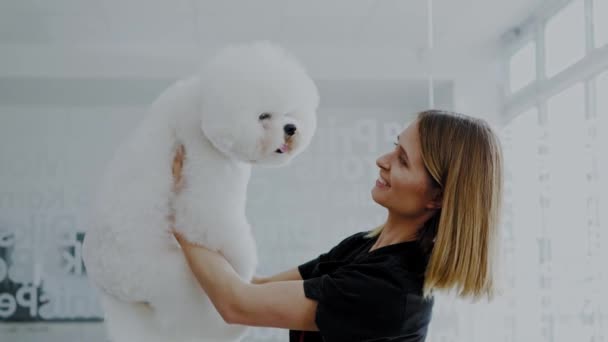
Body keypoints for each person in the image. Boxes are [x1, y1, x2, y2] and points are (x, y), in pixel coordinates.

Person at [171, 110, 504, 341]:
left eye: (402, 160)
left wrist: (180, 208)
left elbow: (237, 303)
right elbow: (256, 285)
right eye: (395, 146)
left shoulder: (391, 288)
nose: (382, 161)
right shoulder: (363, 245)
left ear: (439, 197)